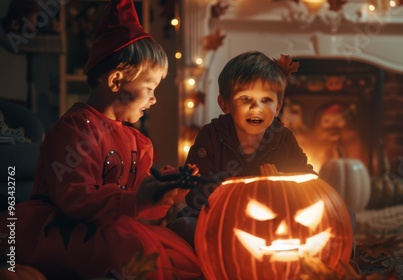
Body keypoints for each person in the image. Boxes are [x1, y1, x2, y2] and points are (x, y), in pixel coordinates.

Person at [0, 0, 201, 279]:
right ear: (117, 81)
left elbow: (138, 195)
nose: (154, 99)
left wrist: (165, 186)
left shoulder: (137, 141)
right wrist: (136, 200)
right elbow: (75, 197)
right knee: (136, 250)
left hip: (113, 229)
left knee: (182, 254)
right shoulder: (76, 130)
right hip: (65, 229)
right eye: (149, 88)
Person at [170, 51, 316, 247]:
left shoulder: (284, 138)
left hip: (273, 220)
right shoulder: (211, 135)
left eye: (266, 100)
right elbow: (195, 190)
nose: (256, 107)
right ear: (225, 104)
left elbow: (309, 181)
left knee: (339, 217)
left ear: (278, 106)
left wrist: (282, 183)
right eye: (245, 99)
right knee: (183, 227)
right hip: (219, 221)